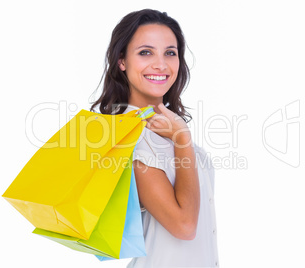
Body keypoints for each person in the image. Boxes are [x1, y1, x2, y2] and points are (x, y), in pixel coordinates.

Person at [90, 9, 219, 267]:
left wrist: (180, 137)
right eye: (145, 52)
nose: (161, 64)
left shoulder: (169, 130)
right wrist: (182, 140)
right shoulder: (130, 139)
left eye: (170, 53)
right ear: (121, 61)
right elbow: (184, 226)